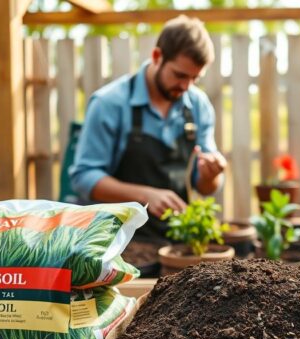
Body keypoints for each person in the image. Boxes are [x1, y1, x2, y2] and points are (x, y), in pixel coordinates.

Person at [70, 15, 226, 238]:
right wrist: (144, 195)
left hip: (174, 238)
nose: (186, 86)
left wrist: (211, 175)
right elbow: (84, 177)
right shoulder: (109, 103)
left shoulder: (199, 106)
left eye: (195, 78)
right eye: (179, 75)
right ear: (156, 56)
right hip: (115, 238)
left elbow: (205, 187)